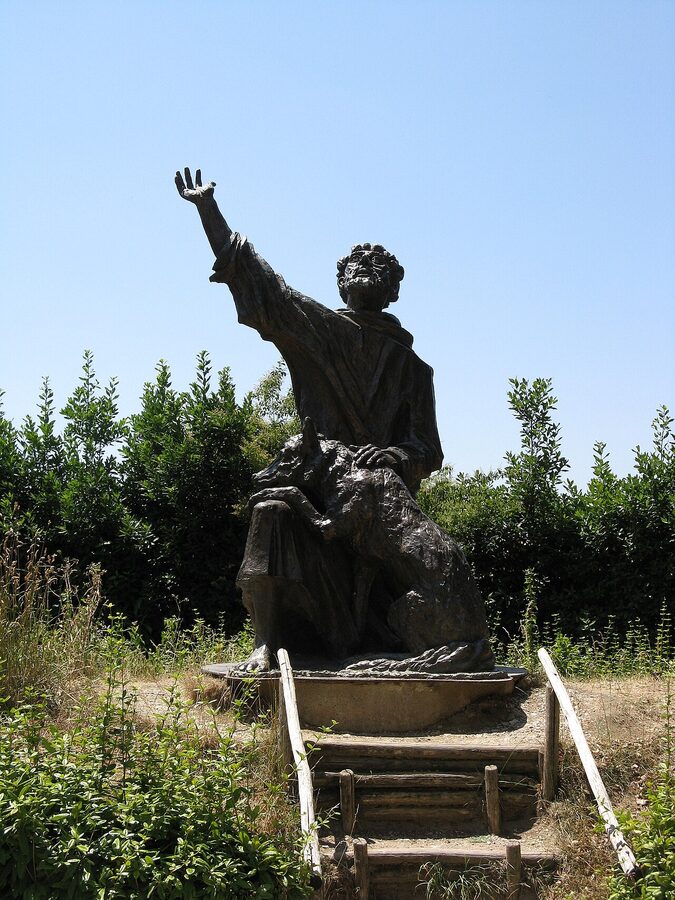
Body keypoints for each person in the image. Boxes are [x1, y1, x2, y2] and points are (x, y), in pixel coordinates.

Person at [176, 168, 444, 670]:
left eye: (381, 265)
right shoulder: (320, 330)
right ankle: (267, 642)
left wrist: (394, 455)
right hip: (318, 480)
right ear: (340, 282)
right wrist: (209, 212)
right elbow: (264, 288)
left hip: (378, 503)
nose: (367, 266)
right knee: (272, 512)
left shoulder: (414, 369)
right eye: (357, 263)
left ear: (394, 291)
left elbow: (428, 451)